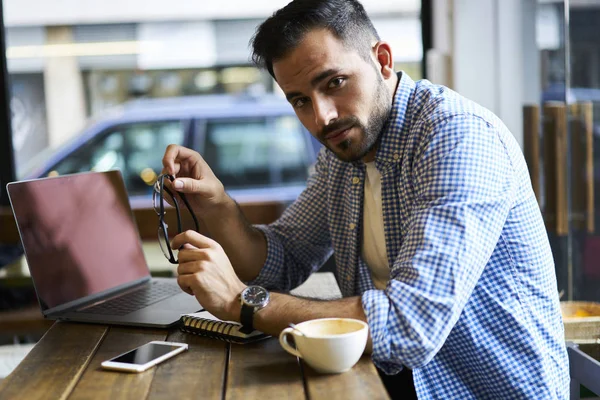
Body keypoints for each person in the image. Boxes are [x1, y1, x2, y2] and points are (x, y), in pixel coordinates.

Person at [162, 0, 570, 398]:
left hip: (482, 389)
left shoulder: (458, 137)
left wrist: (242, 301)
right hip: (386, 376)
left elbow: (411, 325)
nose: (322, 117)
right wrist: (217, 206)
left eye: (333, 83)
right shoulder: (344, 152)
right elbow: (282, 259)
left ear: (383, 60)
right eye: (300, 100)